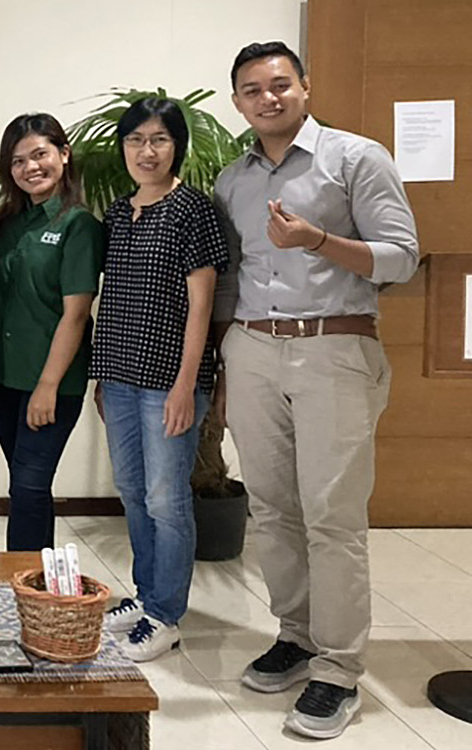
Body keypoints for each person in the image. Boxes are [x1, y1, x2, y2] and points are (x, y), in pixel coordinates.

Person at [214, 41, 418, 740]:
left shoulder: (355, 157)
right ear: (237, 100)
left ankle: (337, 667)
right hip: (253, 349)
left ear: (304, 85)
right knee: (272, 508)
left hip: (334, 344)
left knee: (332, 513)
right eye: (251, 90)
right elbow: (231, 276)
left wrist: (319, 241)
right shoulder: (232, 179)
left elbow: (401, 255)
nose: (267, 99)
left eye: (279, 85)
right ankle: (295, 635)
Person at [91, 98, 229, 662]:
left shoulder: (193, 209)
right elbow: (115, 298)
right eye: (135, 140)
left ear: (177, 147)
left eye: (159, 140)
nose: (146, 152)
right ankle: (146, 595)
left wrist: (185, 385)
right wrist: (102, 376)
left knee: (168, 499)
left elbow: (202, 306)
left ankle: (167, 614)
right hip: (120, 377)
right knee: (131, 491)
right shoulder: (119, 213)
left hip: (170, 381)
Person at [0, 113, 103, 553]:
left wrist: (47, 386)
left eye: (40, 155)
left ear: (64, 155)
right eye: (17, 161)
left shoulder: (78, 225)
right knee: (28, 485)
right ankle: (42, 585)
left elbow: (76, 314)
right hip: (2, 376)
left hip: (50, 383)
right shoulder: (4, 224)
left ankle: (22, 588)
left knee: (28, 488)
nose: (30, 167)